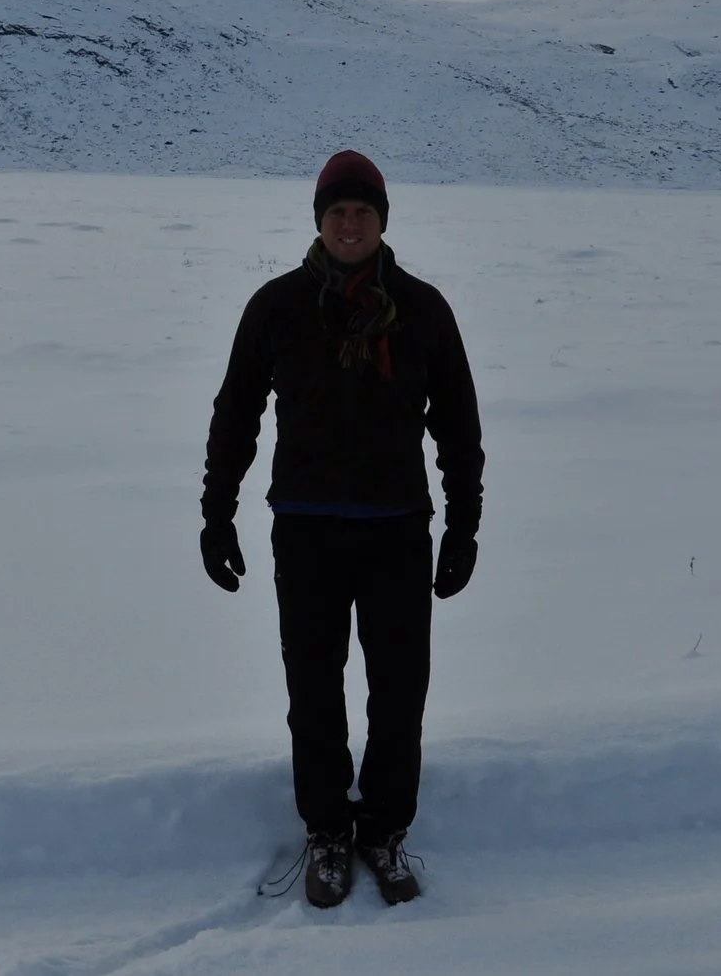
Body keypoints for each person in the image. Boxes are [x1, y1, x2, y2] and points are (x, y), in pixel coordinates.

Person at [199, 149, 484, 908]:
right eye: (337, 213)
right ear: (320, 222)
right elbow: (236, 415)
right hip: (306, 529)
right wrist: (216, 513)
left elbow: (459, 427)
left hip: (397, 530)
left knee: (399, 690)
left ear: (382, 221)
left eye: (362, 212)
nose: (349, 225)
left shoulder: (423, 309)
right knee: (315, 688)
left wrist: (463, 526)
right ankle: (327, 831)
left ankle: (383, 830)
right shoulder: (278, 306)